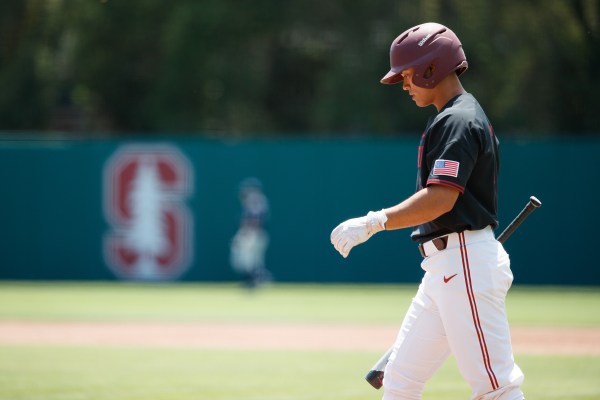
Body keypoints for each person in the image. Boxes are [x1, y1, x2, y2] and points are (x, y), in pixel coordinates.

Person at [330, 22, 524, 400]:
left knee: (495, 387)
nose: (403, 83)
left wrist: (375, 221)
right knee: (401, 380)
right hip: (445, 267)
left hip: (464, 260)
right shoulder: (452, 116)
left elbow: (441, 198)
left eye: (406, 74)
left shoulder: (458, 118)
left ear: (430, 68)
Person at [230, 177, 272, 288]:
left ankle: (257, 280)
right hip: (259, 233)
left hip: (252, 233)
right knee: (255, 261)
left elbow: (254, 219)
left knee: (246, 260)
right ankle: (255, 281)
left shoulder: (254, 200)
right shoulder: (260, 200)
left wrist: (247, 233)